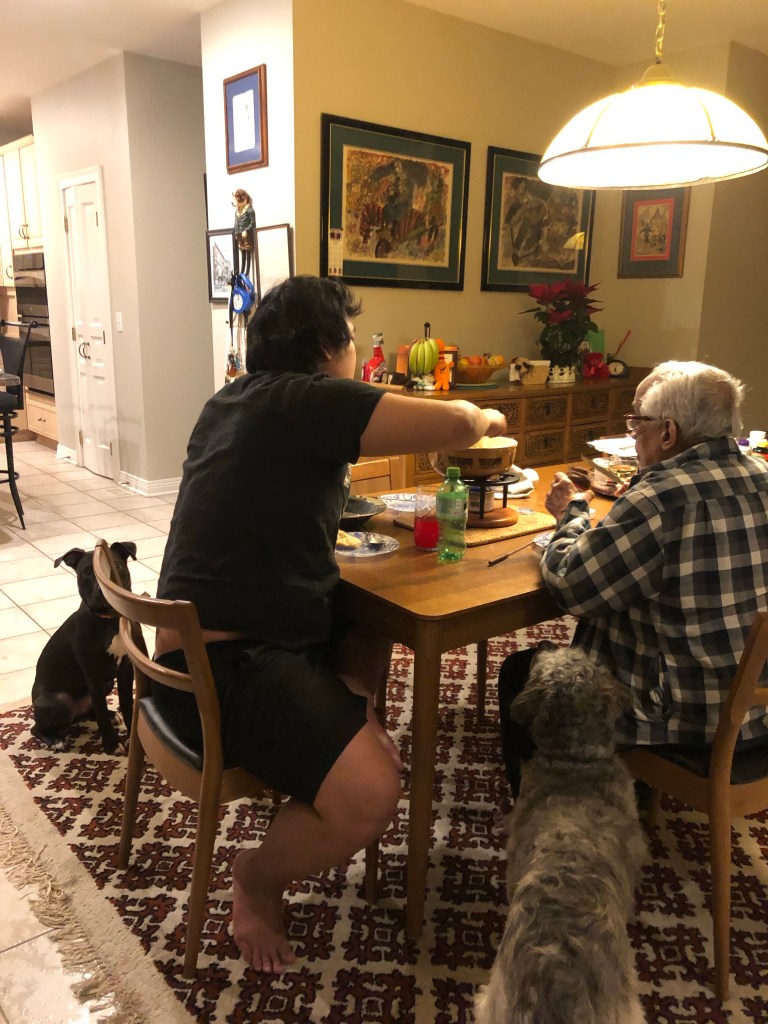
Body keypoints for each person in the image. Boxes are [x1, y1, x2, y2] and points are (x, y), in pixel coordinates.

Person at [153, 275, 508, 973]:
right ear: (328, 346)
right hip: (220, 674)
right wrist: (487, 418)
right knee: (371, 794)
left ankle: (348, 715)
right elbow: (458, 424)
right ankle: (255, 878)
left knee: (369, 603)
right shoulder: (308, 398)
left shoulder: (232, 398)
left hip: (197, 651)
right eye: (350, 342)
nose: (354, 357)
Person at [498, 360, 768, 797]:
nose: (632, 435)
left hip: (690, 719)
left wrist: (571, 512)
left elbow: (571, 585)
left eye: (637, 423)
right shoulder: (761, 476)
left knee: (523, 674)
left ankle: (555, 808)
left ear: (668, 433)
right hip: (757, 706)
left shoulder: (661, 497)